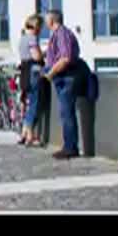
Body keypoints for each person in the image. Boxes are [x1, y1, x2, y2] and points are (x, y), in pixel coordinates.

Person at [43, 9, 82, 159]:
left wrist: (50, 74)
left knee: (67, 112)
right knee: (65, 112)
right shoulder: (57, 35)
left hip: (67, 77)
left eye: (47, 19)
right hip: (62, 78)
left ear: (52, 20)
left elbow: (65, 58)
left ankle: (70, 147)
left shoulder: (62, 34)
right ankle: (69, 146)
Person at [18, 15, 46, 146]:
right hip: (34, 72)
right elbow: (36, 55)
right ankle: (29, 133)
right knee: (35, 103)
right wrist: (43, 54)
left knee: (29, 102)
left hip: (25, 72)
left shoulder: (22, 39)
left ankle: (23, 133)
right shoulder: (32, 39)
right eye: (40, 27)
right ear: (36, 26)